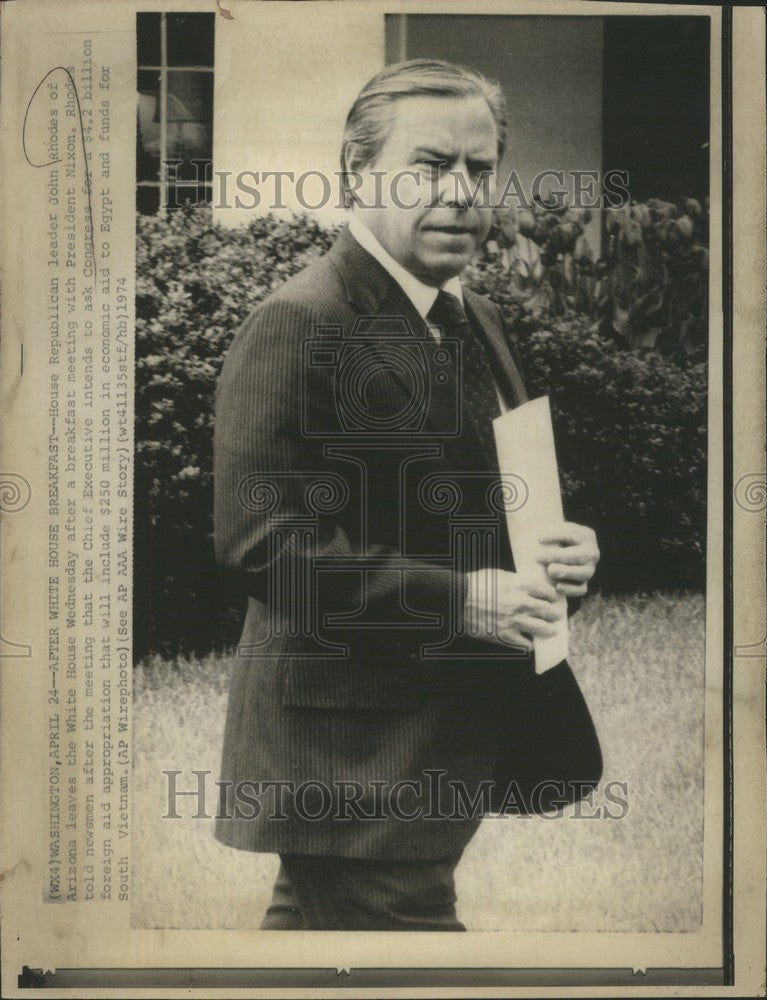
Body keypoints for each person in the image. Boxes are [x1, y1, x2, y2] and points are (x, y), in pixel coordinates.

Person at [213, 59, 600, 931]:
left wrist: (560, 550)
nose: (462, 193)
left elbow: (487, 495)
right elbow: (263, 544)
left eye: (479, 169)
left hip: (420, 744)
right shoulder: (302, 321)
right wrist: (462, 600)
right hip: (349, 760)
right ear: (358, 171)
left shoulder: (472, 316)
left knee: (318, 951)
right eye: (430, 166)